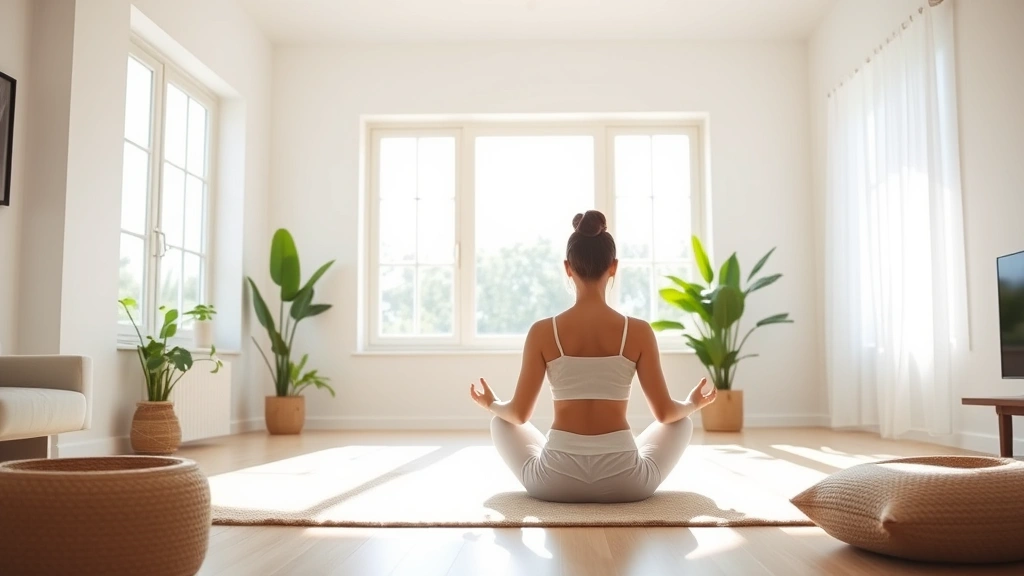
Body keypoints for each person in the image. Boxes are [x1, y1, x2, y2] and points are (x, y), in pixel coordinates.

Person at [468, 209, 718, 503]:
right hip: (626, 482)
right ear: (613, 267)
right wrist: (691, 403)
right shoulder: (637, 332)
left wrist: (491, 403)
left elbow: (519, 415)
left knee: (500, 421)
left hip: (554, 482)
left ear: (567, 267)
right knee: (682, 421)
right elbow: (665, 414)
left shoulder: (543, 332)